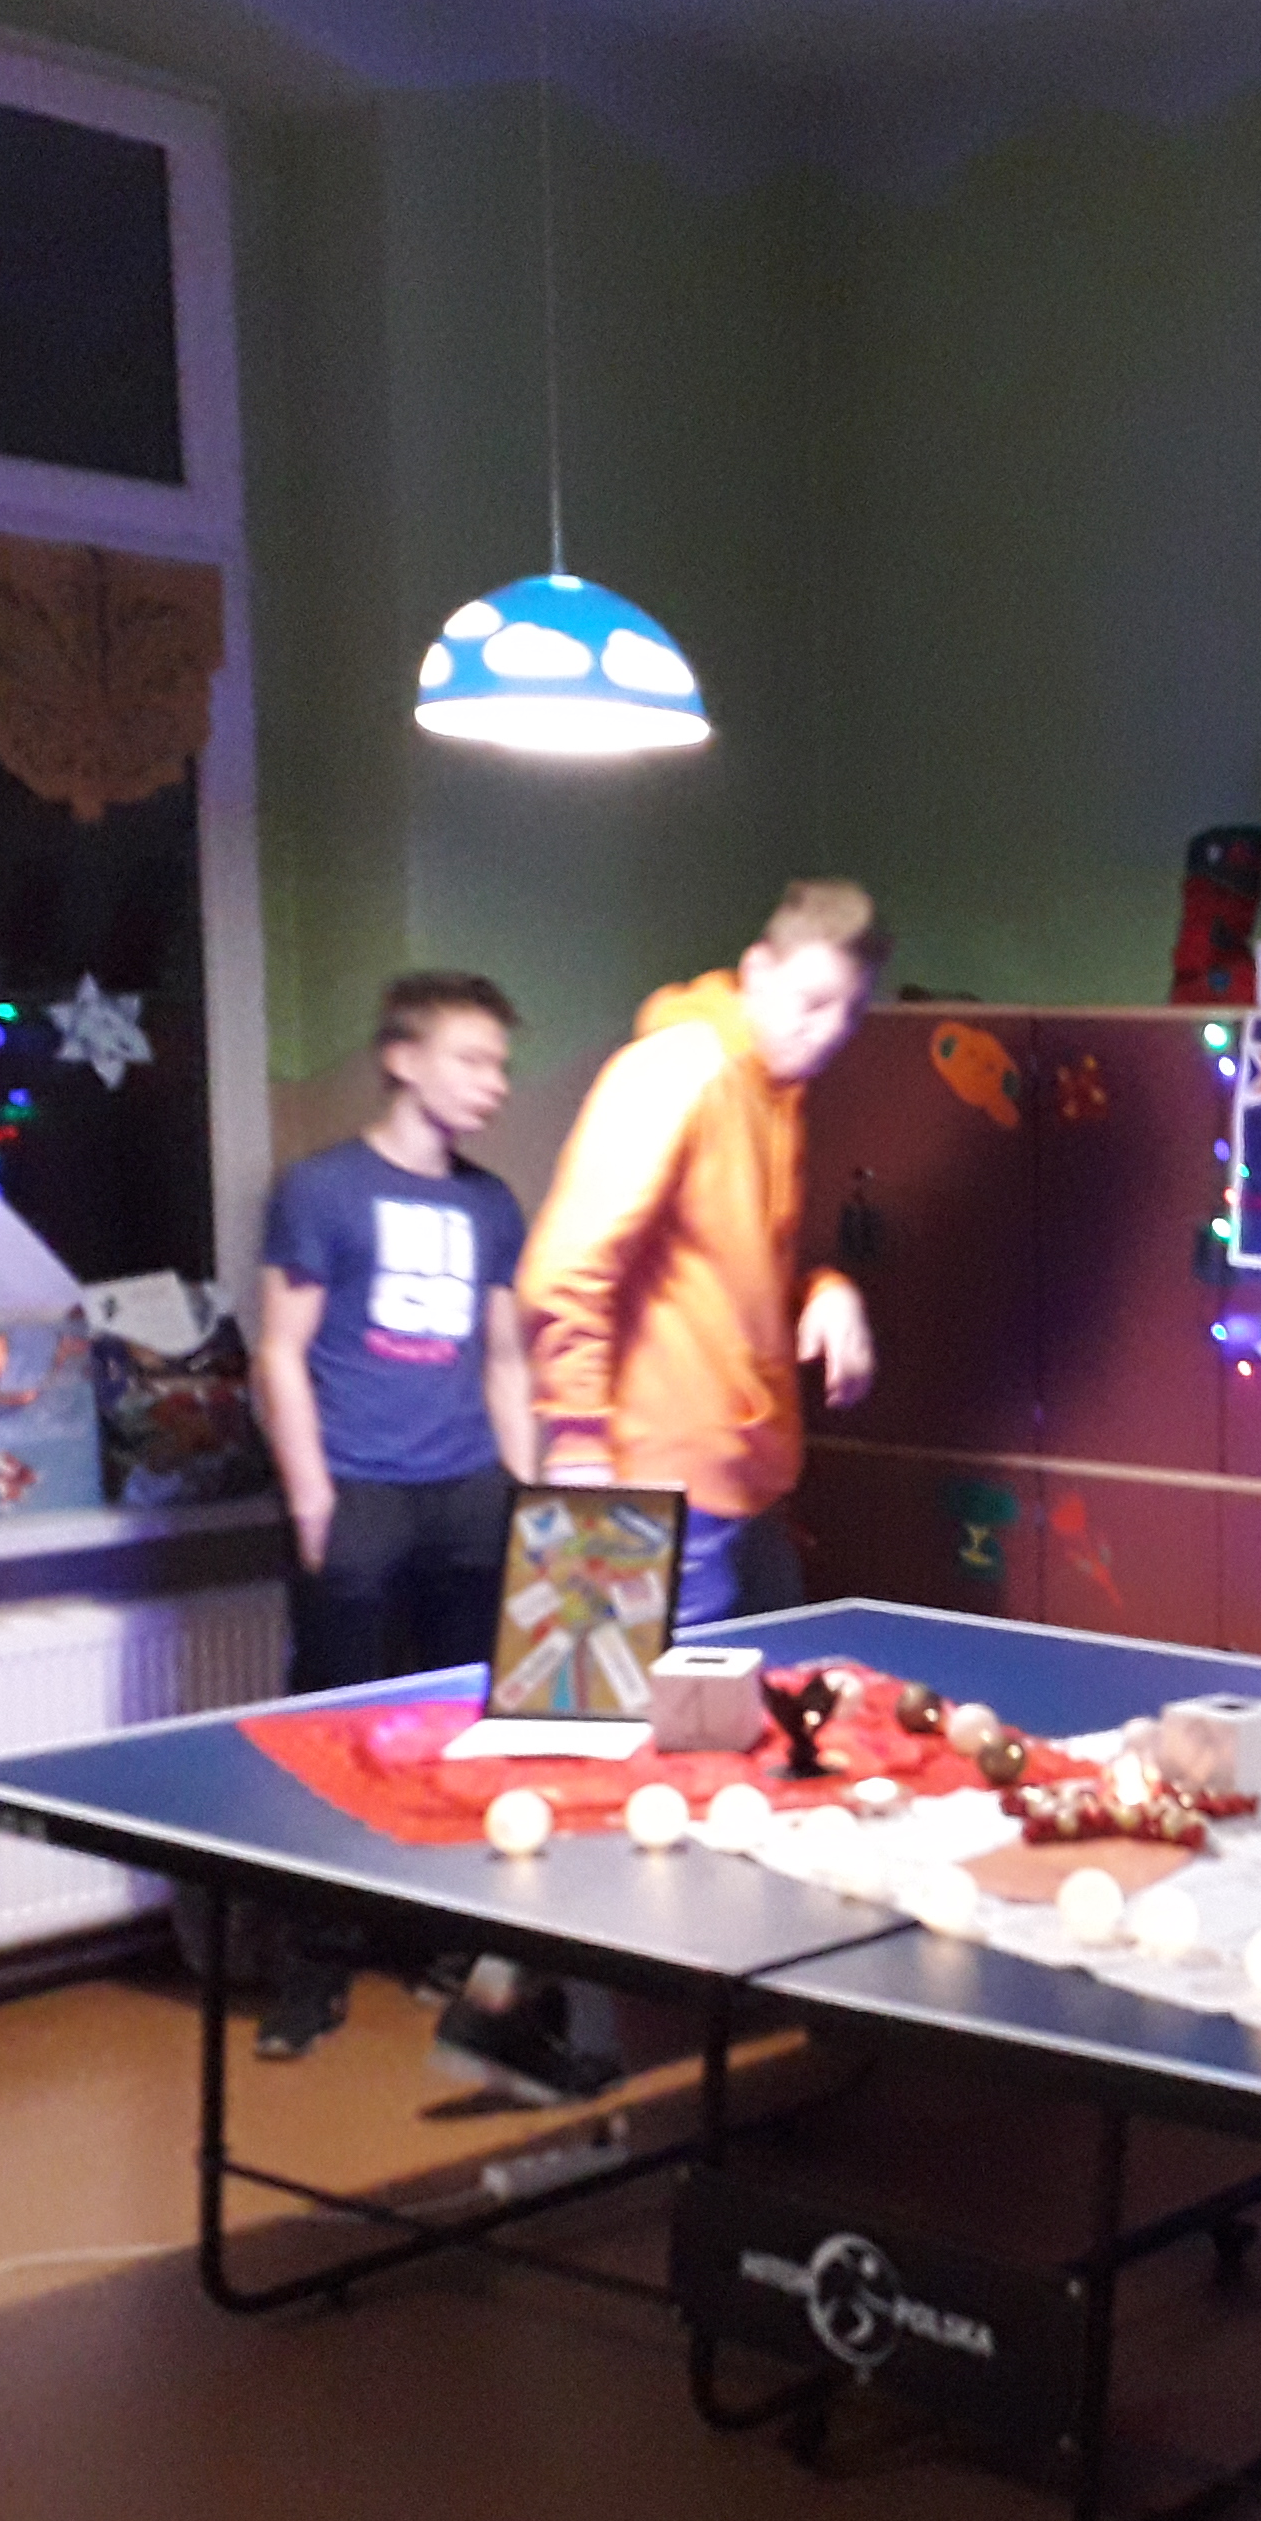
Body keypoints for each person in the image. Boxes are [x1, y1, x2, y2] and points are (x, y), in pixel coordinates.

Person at [251, 970, 536, 2062]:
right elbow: (280, 1351)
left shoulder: (491, 1203)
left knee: (459, 1732)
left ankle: (443, 1941)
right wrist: (311, 1494)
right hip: (359, 1491)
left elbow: (505, 1362)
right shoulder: (321, 1189)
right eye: (473, 1059)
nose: (494, 1083)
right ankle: (313, 1966)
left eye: (502, 1064)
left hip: (469, 1493)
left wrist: (529, 1500)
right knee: (332, 1737)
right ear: (404, 1060)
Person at [519, 879, 882, 1631]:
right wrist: (578, 1444)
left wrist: (825, 1289)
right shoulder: (677, 1070)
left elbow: (732, 1278)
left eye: (851, 1012)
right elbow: (565, 1269)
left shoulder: (775, 1095)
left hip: (746, 1482)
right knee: (622, 1707)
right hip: (640, 1485)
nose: (828, 1032)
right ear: (757, 971)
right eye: (813, 1002)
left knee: (774, 1691)